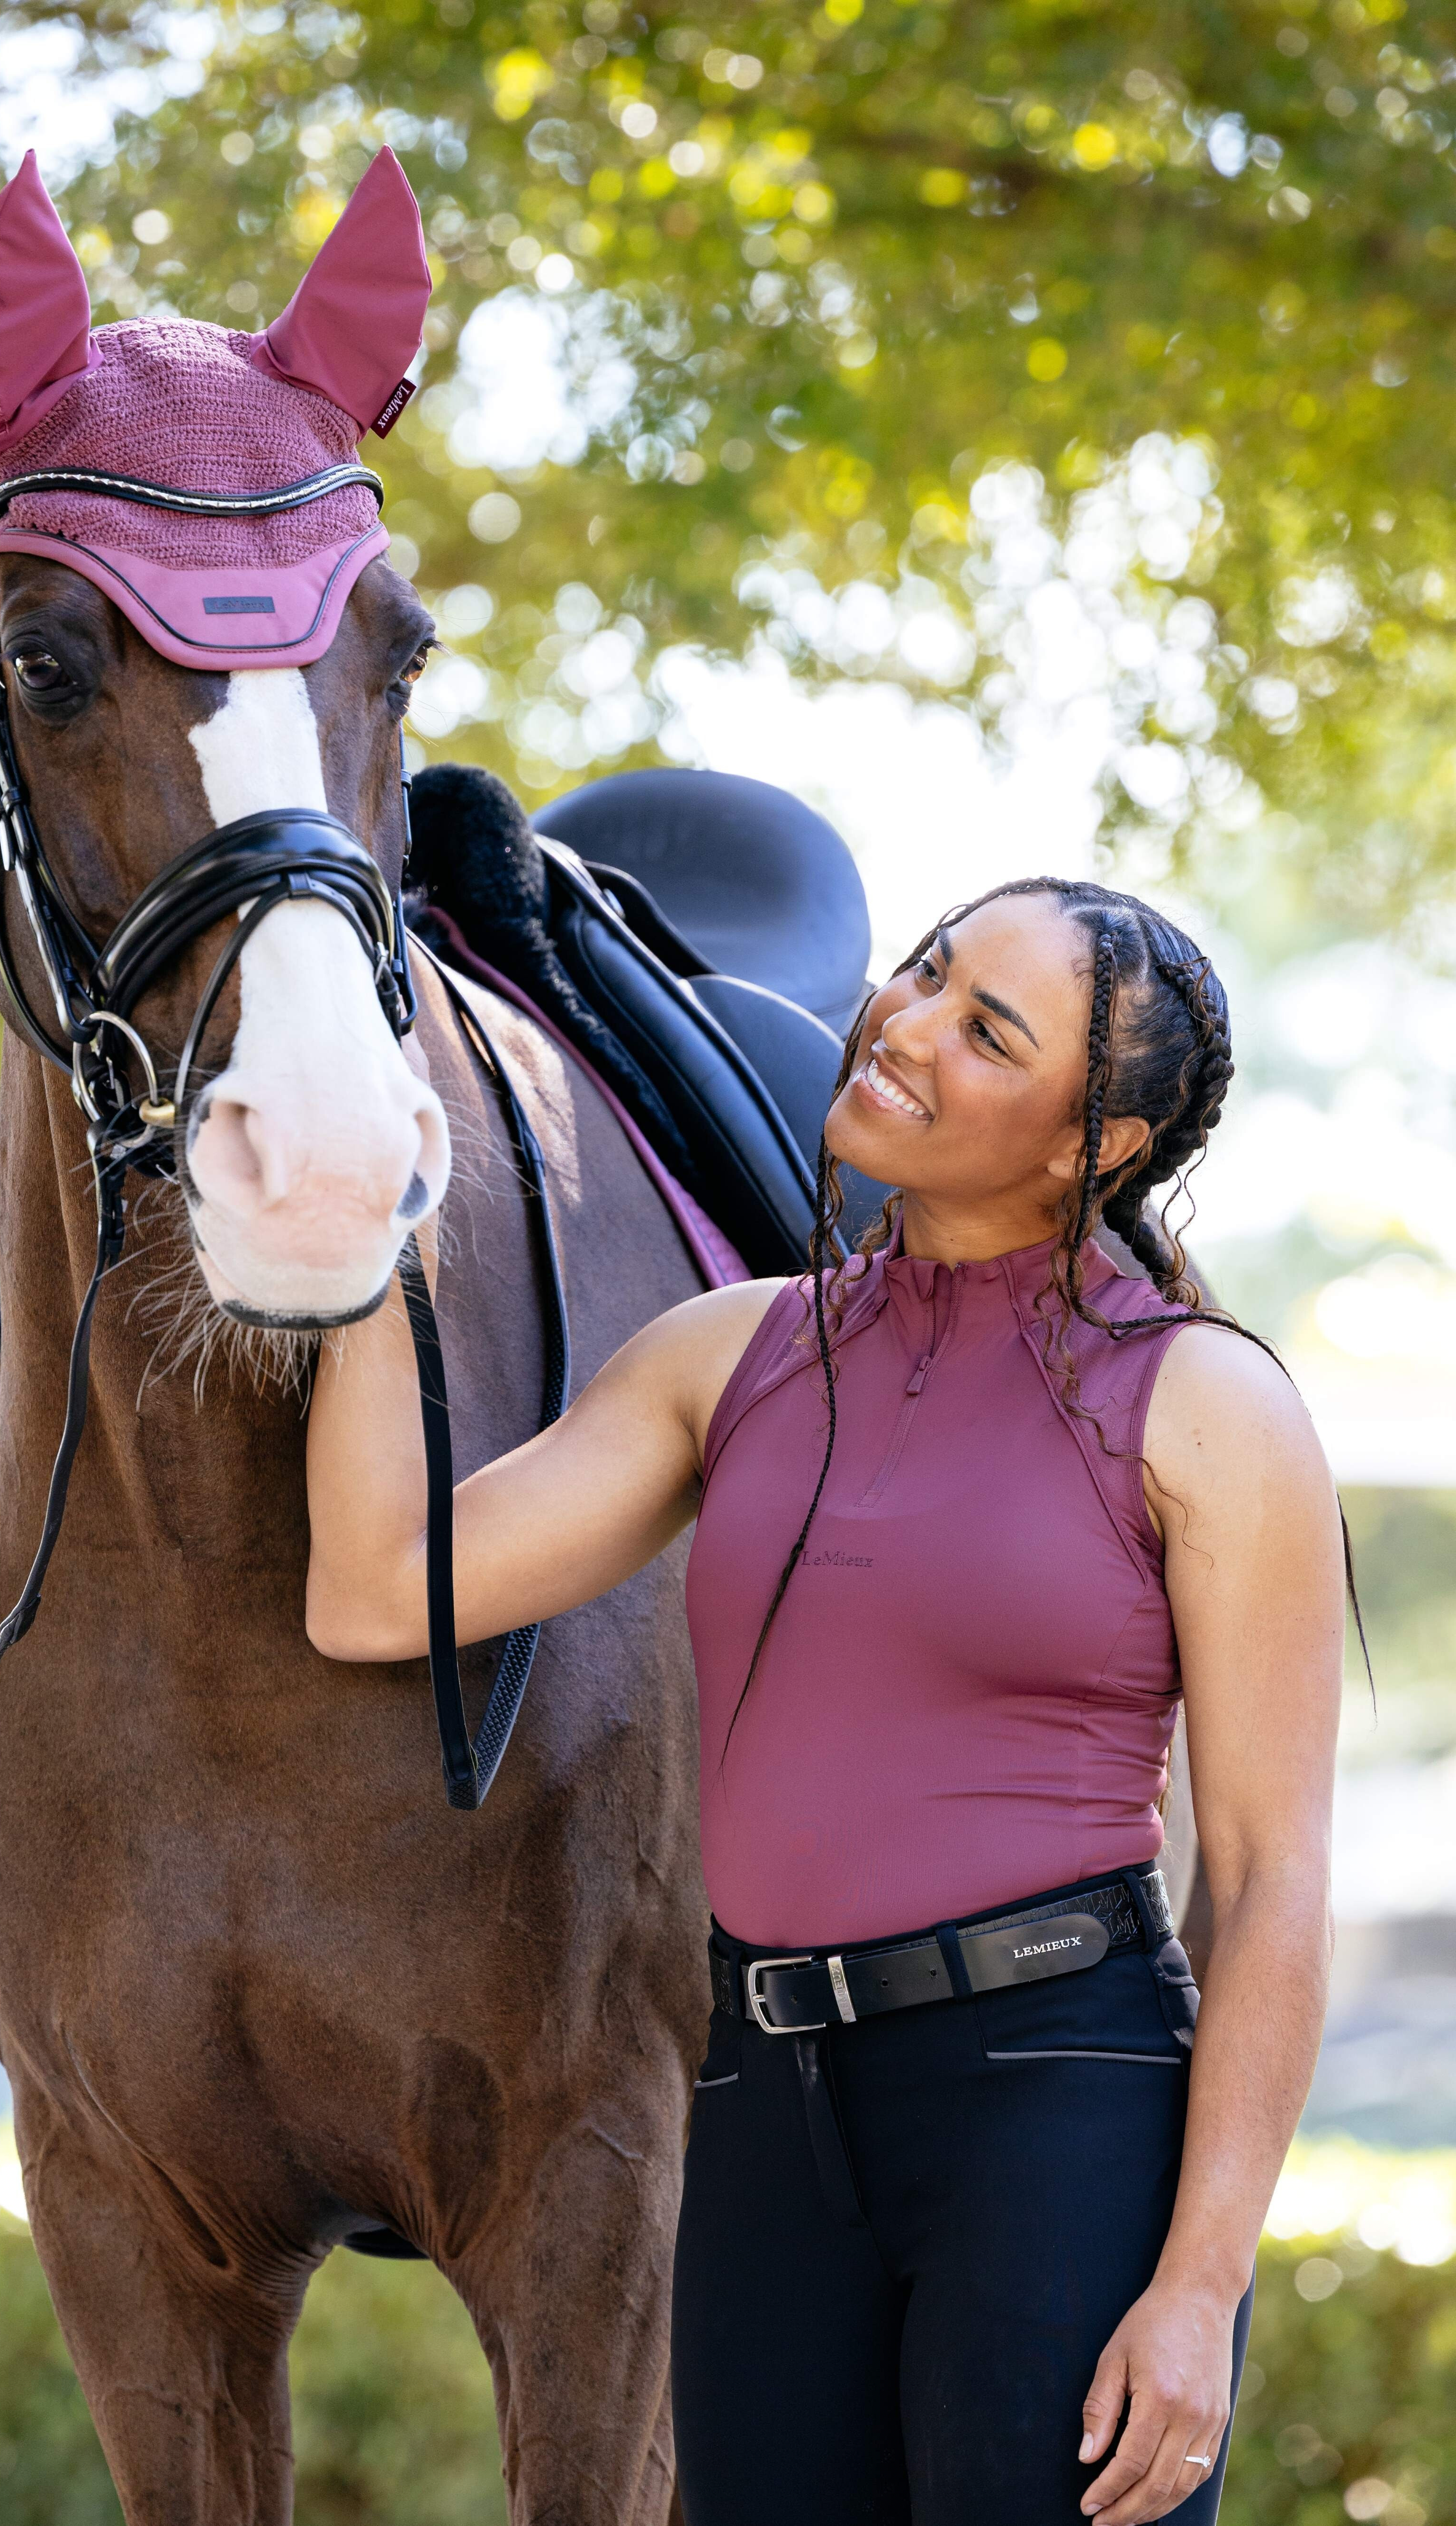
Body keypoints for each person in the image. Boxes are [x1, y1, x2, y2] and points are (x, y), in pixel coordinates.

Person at [304, 877, 1343, 2526]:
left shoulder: (1204, 1401)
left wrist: (1204, 2285)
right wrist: (360, 1235)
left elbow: (1275, 1874)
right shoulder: (731, 1356)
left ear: (1098, 1148)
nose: (908, 1026)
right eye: (926, 973)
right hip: (764, 2108)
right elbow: (373, 1593)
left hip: (1056, 2098)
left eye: (986, 1031)